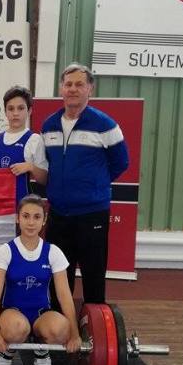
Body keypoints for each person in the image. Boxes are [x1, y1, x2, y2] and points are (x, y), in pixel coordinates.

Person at [41, 63, 129, 305]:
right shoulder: (48, 125)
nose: (73, 89)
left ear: (90, 88)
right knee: (58, 275)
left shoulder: (105, 124)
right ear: (61, 88)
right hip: (58, 214)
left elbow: (121, 162)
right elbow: (47, 164)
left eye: (79, 84)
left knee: (93, 274)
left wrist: (94, 185)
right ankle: (59, 323)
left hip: (92, 214)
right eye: (68, 84)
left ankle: (95, 323)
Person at [0, 195, 81, 365]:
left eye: (37, 217)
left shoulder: (53, 252)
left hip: (41, 314)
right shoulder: (6, 251)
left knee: (62, 329)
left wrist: (75, 334)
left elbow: (64, 295)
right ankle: (8, 350)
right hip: (12, 314)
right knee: (16, 328)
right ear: (18, 218)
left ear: (44, 220)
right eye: (26, 216)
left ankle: (42, 348)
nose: (31, 222)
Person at [0, 86, 48, 208]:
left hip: (22, 209)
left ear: (29, 111)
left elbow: (44, 179)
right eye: (11, 109)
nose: (15, 113)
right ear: (5, 112)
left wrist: (30, 167)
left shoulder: (34, 140)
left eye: (20, 108)